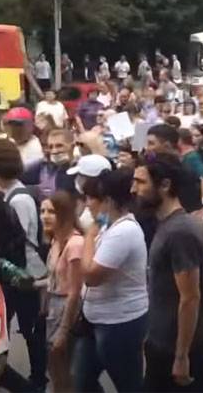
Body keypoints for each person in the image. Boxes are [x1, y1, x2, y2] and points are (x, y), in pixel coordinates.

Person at [132, 154, 203, 392]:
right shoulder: (167, 225)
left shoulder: (179, 232)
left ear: (165, 185)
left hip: (176, 349)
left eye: (140, 182)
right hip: (162, 344)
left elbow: (190, 297)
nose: (133, 188)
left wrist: (181, 356)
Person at [74, 168, 149, 392]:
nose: (87, 204)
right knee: (82, 380)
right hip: (95, 318)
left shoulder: (123, 231)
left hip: (119, 323)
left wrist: (88, 235)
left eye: (90, 198)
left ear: (107, 200)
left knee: (128, 384)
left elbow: (91, 276)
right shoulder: (109, 226)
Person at [0, 138, 48, 391]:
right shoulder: (7, 194)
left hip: (25, 277)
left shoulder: (17, 198)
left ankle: (37, 380)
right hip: (15, 276)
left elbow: (16, 243)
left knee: (31, 332)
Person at [42, 191, 84, 393]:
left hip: (66, 308)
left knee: (64, 367)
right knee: (54, 367)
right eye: (42, 211)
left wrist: (64, 329)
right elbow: (55, 278)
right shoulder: (56, 240)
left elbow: (75, 291)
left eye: (51, 211)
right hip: (53, 306)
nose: (45, 216)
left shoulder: (75, 244)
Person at [21, 128, 76, 199]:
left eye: (59, 146)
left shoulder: (80, 169)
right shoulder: (41, 166)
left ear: (72, 146)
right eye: (51, 147)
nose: (54, 151)